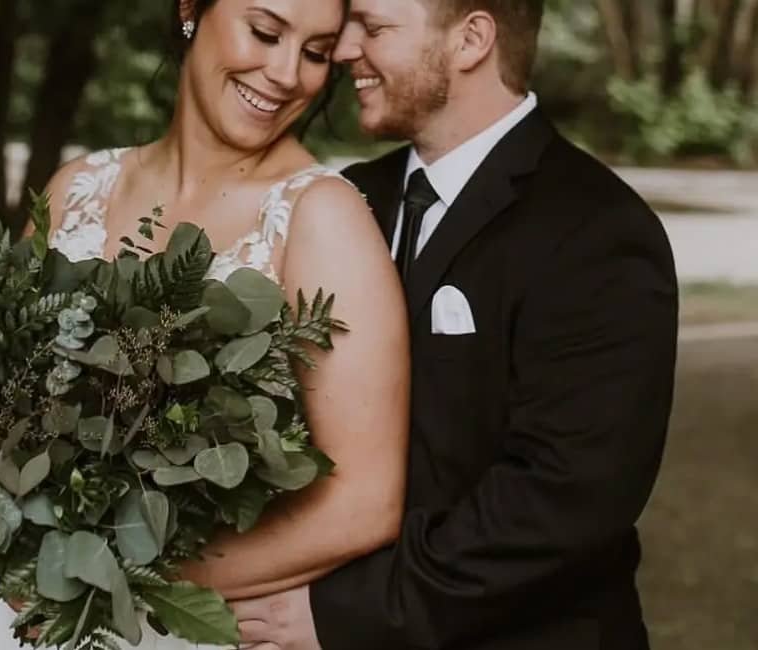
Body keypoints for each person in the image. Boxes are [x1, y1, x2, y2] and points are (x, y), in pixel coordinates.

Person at [0, 1, 411, 649]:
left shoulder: (322, 218)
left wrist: (121, 574)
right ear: (191, 10)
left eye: (315, 53)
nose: (286, 74)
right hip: (26, 609)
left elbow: (364, 504)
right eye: (265, 32)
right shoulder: (76, 189)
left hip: (187, 625)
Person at [230, 1, 679, 648]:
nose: (346, 49)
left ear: (471, 40)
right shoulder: (345, 201)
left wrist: (346, 610)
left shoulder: (599, 230)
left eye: (375, 28)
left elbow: (565, 498)